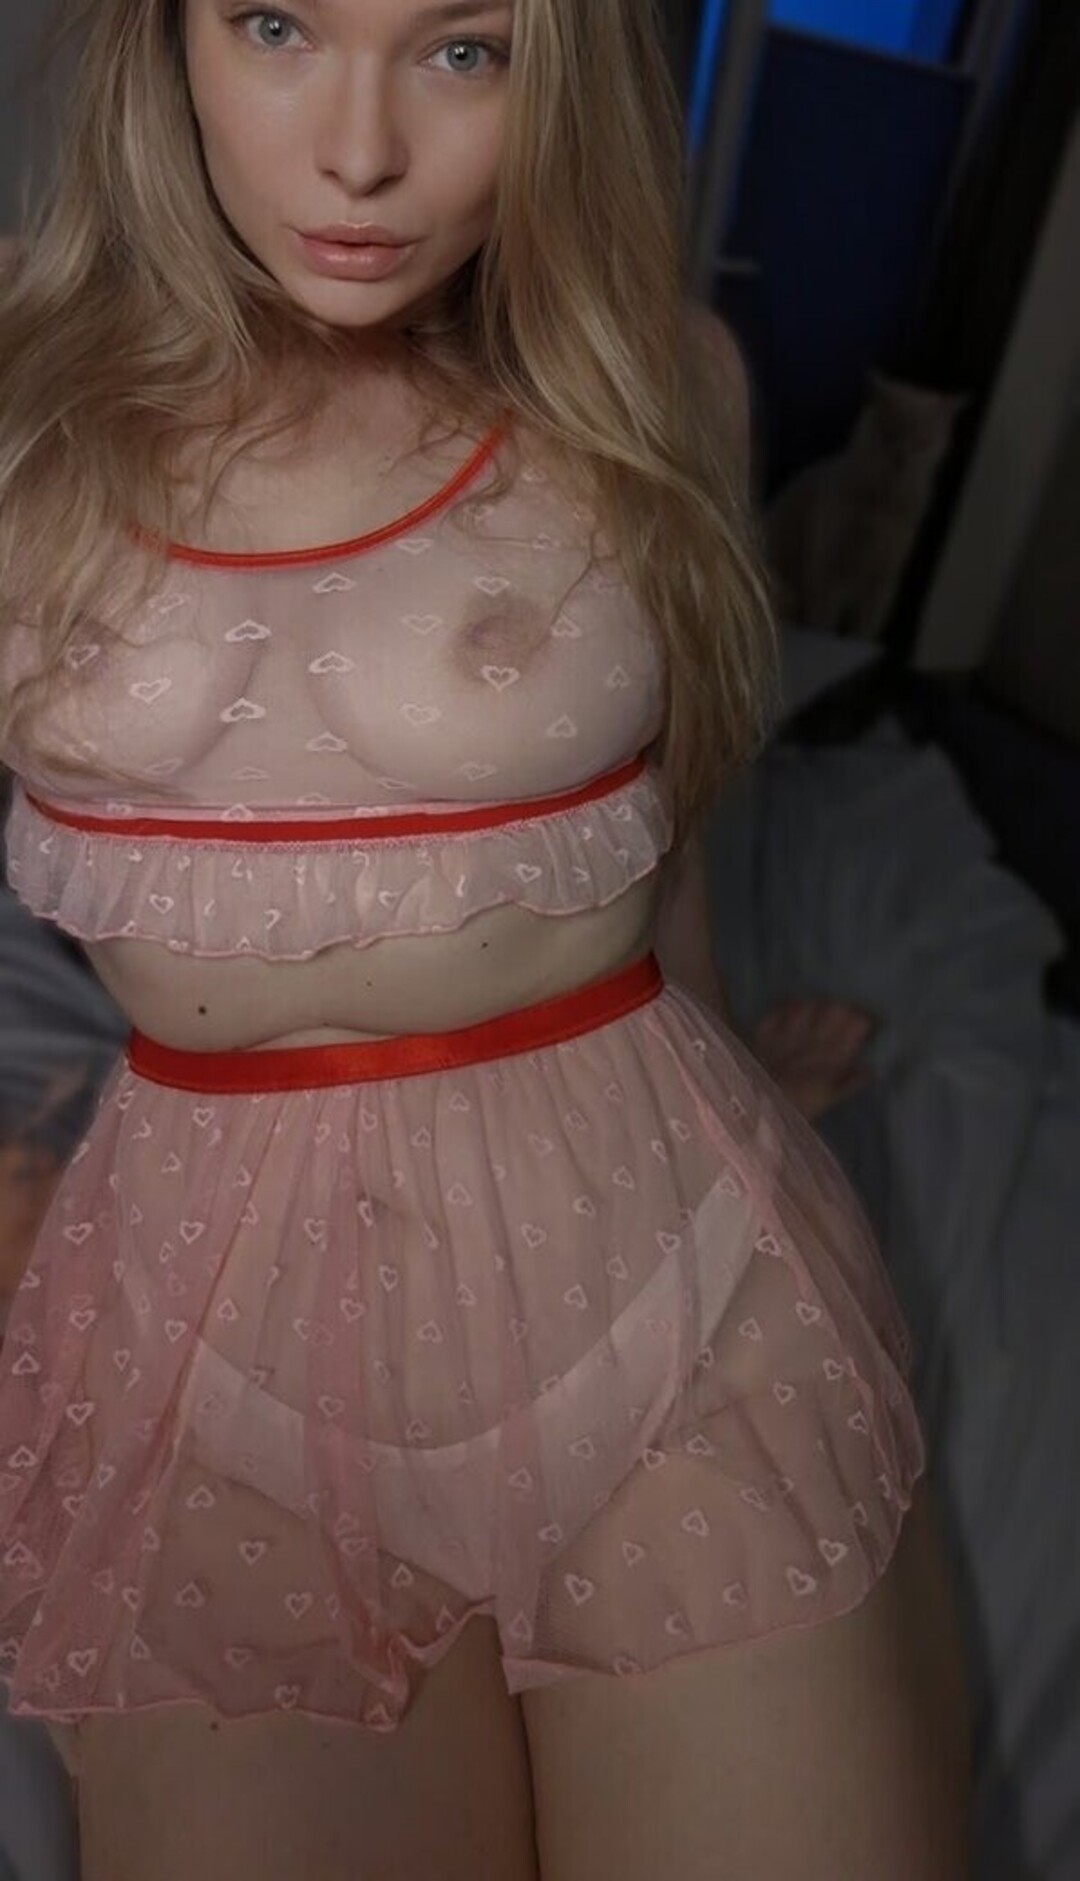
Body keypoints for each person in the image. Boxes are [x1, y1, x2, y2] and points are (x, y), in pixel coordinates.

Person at [0, 2, 971, 1877]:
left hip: (654, 1269)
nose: (360, 154)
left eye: (466, 51)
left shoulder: (658, 380)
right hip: (210, 1339)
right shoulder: (25, 381)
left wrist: (737, 1064)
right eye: (277, 25)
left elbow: (660, 818)